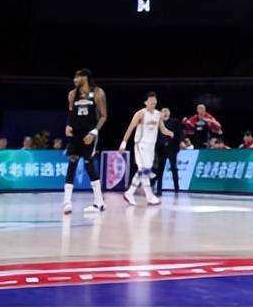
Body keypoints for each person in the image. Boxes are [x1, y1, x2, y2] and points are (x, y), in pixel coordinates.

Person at [63, 68, 108, 215]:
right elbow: (70, 113)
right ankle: (67, 202)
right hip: (75, 135)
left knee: (89, 165)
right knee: (72, 163)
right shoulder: (72, 94)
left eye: (78, 77)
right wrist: (68, 125)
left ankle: (99, 202)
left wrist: (94, 132)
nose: (75, 80)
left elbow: (103, 116)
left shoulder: (97, 93)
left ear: (85, 78)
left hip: (89, 135)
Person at [119, 92, 174, 207]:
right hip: (141, 145)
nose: (153, 102)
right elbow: (130, 128)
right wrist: (124, 143)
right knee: (145, 170)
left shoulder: (158, 115)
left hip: (151, 147)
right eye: (151, 100)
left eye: (154, 100)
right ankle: (149, 196)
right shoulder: (140, 114)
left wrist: (169, 132)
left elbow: (162, 129)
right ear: (146, 102)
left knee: (144, 170)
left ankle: (129, 193)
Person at [153, 107, 181, 197]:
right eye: (163, 111)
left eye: (166, 111)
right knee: (160, 170)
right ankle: (159, 190)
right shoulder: (157, 123)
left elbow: (178, 135)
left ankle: (177, 189)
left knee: (174, 169)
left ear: (169, 113)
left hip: (172, 150)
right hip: (161, 150)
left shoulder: (175, 122)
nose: (164, 113)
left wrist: (177, 147)